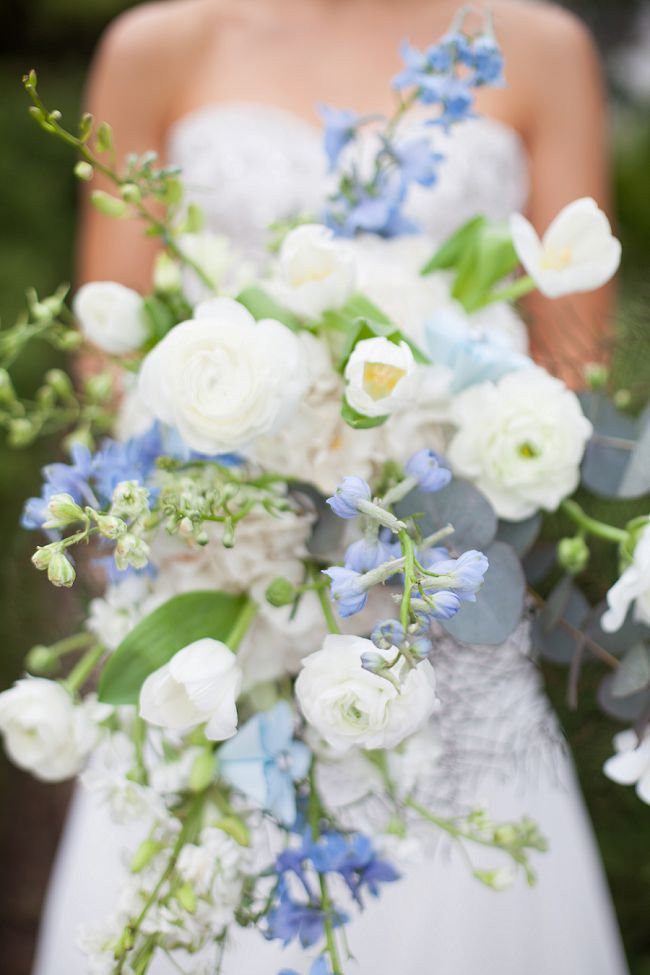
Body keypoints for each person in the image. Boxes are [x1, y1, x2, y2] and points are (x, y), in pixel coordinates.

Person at [33, 1, 629, 973]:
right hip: (215, 586)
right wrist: (237, 482)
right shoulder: (156, 46)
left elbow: (573, 368)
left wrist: (420, 454)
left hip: (439, 610)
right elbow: (108, 352)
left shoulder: (540, 46)